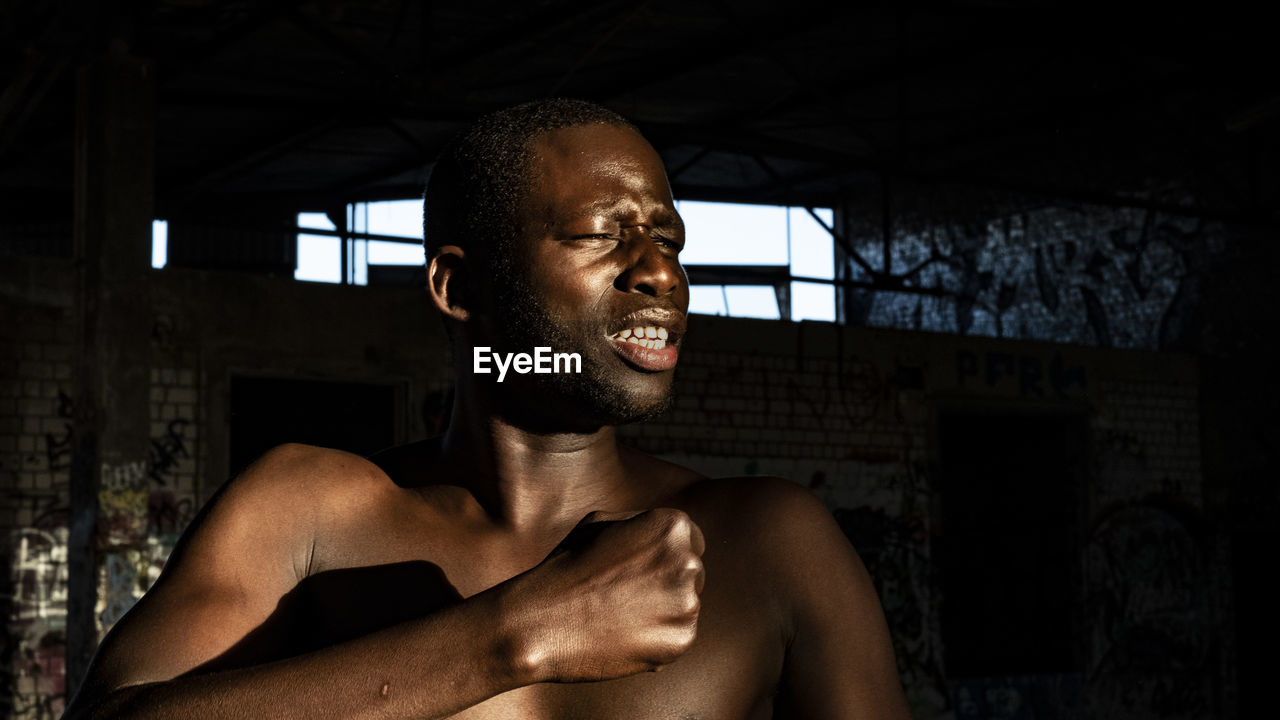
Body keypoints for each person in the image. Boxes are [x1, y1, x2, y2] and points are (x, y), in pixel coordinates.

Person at [65, 99, 911, 719]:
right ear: (460, 287)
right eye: (601, 234)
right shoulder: (309, 513)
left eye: (669, 239)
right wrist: (515, 633)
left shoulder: (771, 541)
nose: (661, 273)